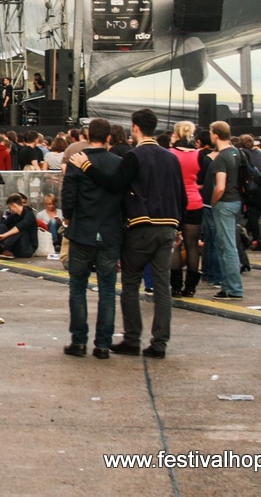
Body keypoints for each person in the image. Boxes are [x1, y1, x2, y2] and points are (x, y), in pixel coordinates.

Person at [68, 108, 187, 358]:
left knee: (131, 283)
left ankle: (132, 338)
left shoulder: (135, 156)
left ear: (135, 128)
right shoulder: (171, 157)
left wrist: (87, 166)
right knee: (162, 287)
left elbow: (115, 186)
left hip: (141, 227)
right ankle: (159, 343)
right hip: (168, 226)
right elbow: (182, 196)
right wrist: (179, 226)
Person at [60, 118, 124, 359]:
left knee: (78, 287)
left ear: (87, 135)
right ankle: (103, 344)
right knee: (107, 290)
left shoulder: (78, 161)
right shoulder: (118, 163)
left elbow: (68, 195)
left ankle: (78, 341)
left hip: (82, 230)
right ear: (110, 137)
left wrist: (69, 217)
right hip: (109, 231)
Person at [205, 121, 245, 300]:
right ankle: (229, 286)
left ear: (215, 135)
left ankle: (232, 287)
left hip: (224, 203)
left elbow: (220, 186)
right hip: (236, 201)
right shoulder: (238, 153)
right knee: (228, 245)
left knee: (226, 247)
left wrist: (213, 201)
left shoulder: (221, 158)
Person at [169, 121, 205, 297]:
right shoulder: (199, 155)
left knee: (175, 244)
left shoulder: (171, 154)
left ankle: (175, 285)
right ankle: (190, 286)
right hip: (194, 202)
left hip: (174, 202)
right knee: (192, 245)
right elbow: (202, 180)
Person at [0, 193, 37, 258]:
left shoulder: (29, 214)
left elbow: (20, 226)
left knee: (19, 231)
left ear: (14, 205)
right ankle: (5, 249)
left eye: (10, 207)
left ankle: (0, 249)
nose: (10, 210)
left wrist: (4, 235)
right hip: (17, 246)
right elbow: (0, 223)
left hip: (27, 248)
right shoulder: (15, 215)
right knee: (2, 226)